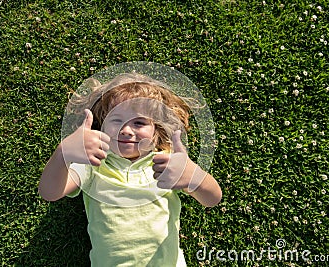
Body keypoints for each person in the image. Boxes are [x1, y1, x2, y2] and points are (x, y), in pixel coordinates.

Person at [38, 73, 222, 266]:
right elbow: (50, 192)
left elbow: (212, 199)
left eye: (139, 123)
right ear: (102, 125)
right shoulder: (93, 164)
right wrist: (63, 154)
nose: (126, 130)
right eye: (116, 120)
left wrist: (193, 175)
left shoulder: (166, 164)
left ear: (156, 131)